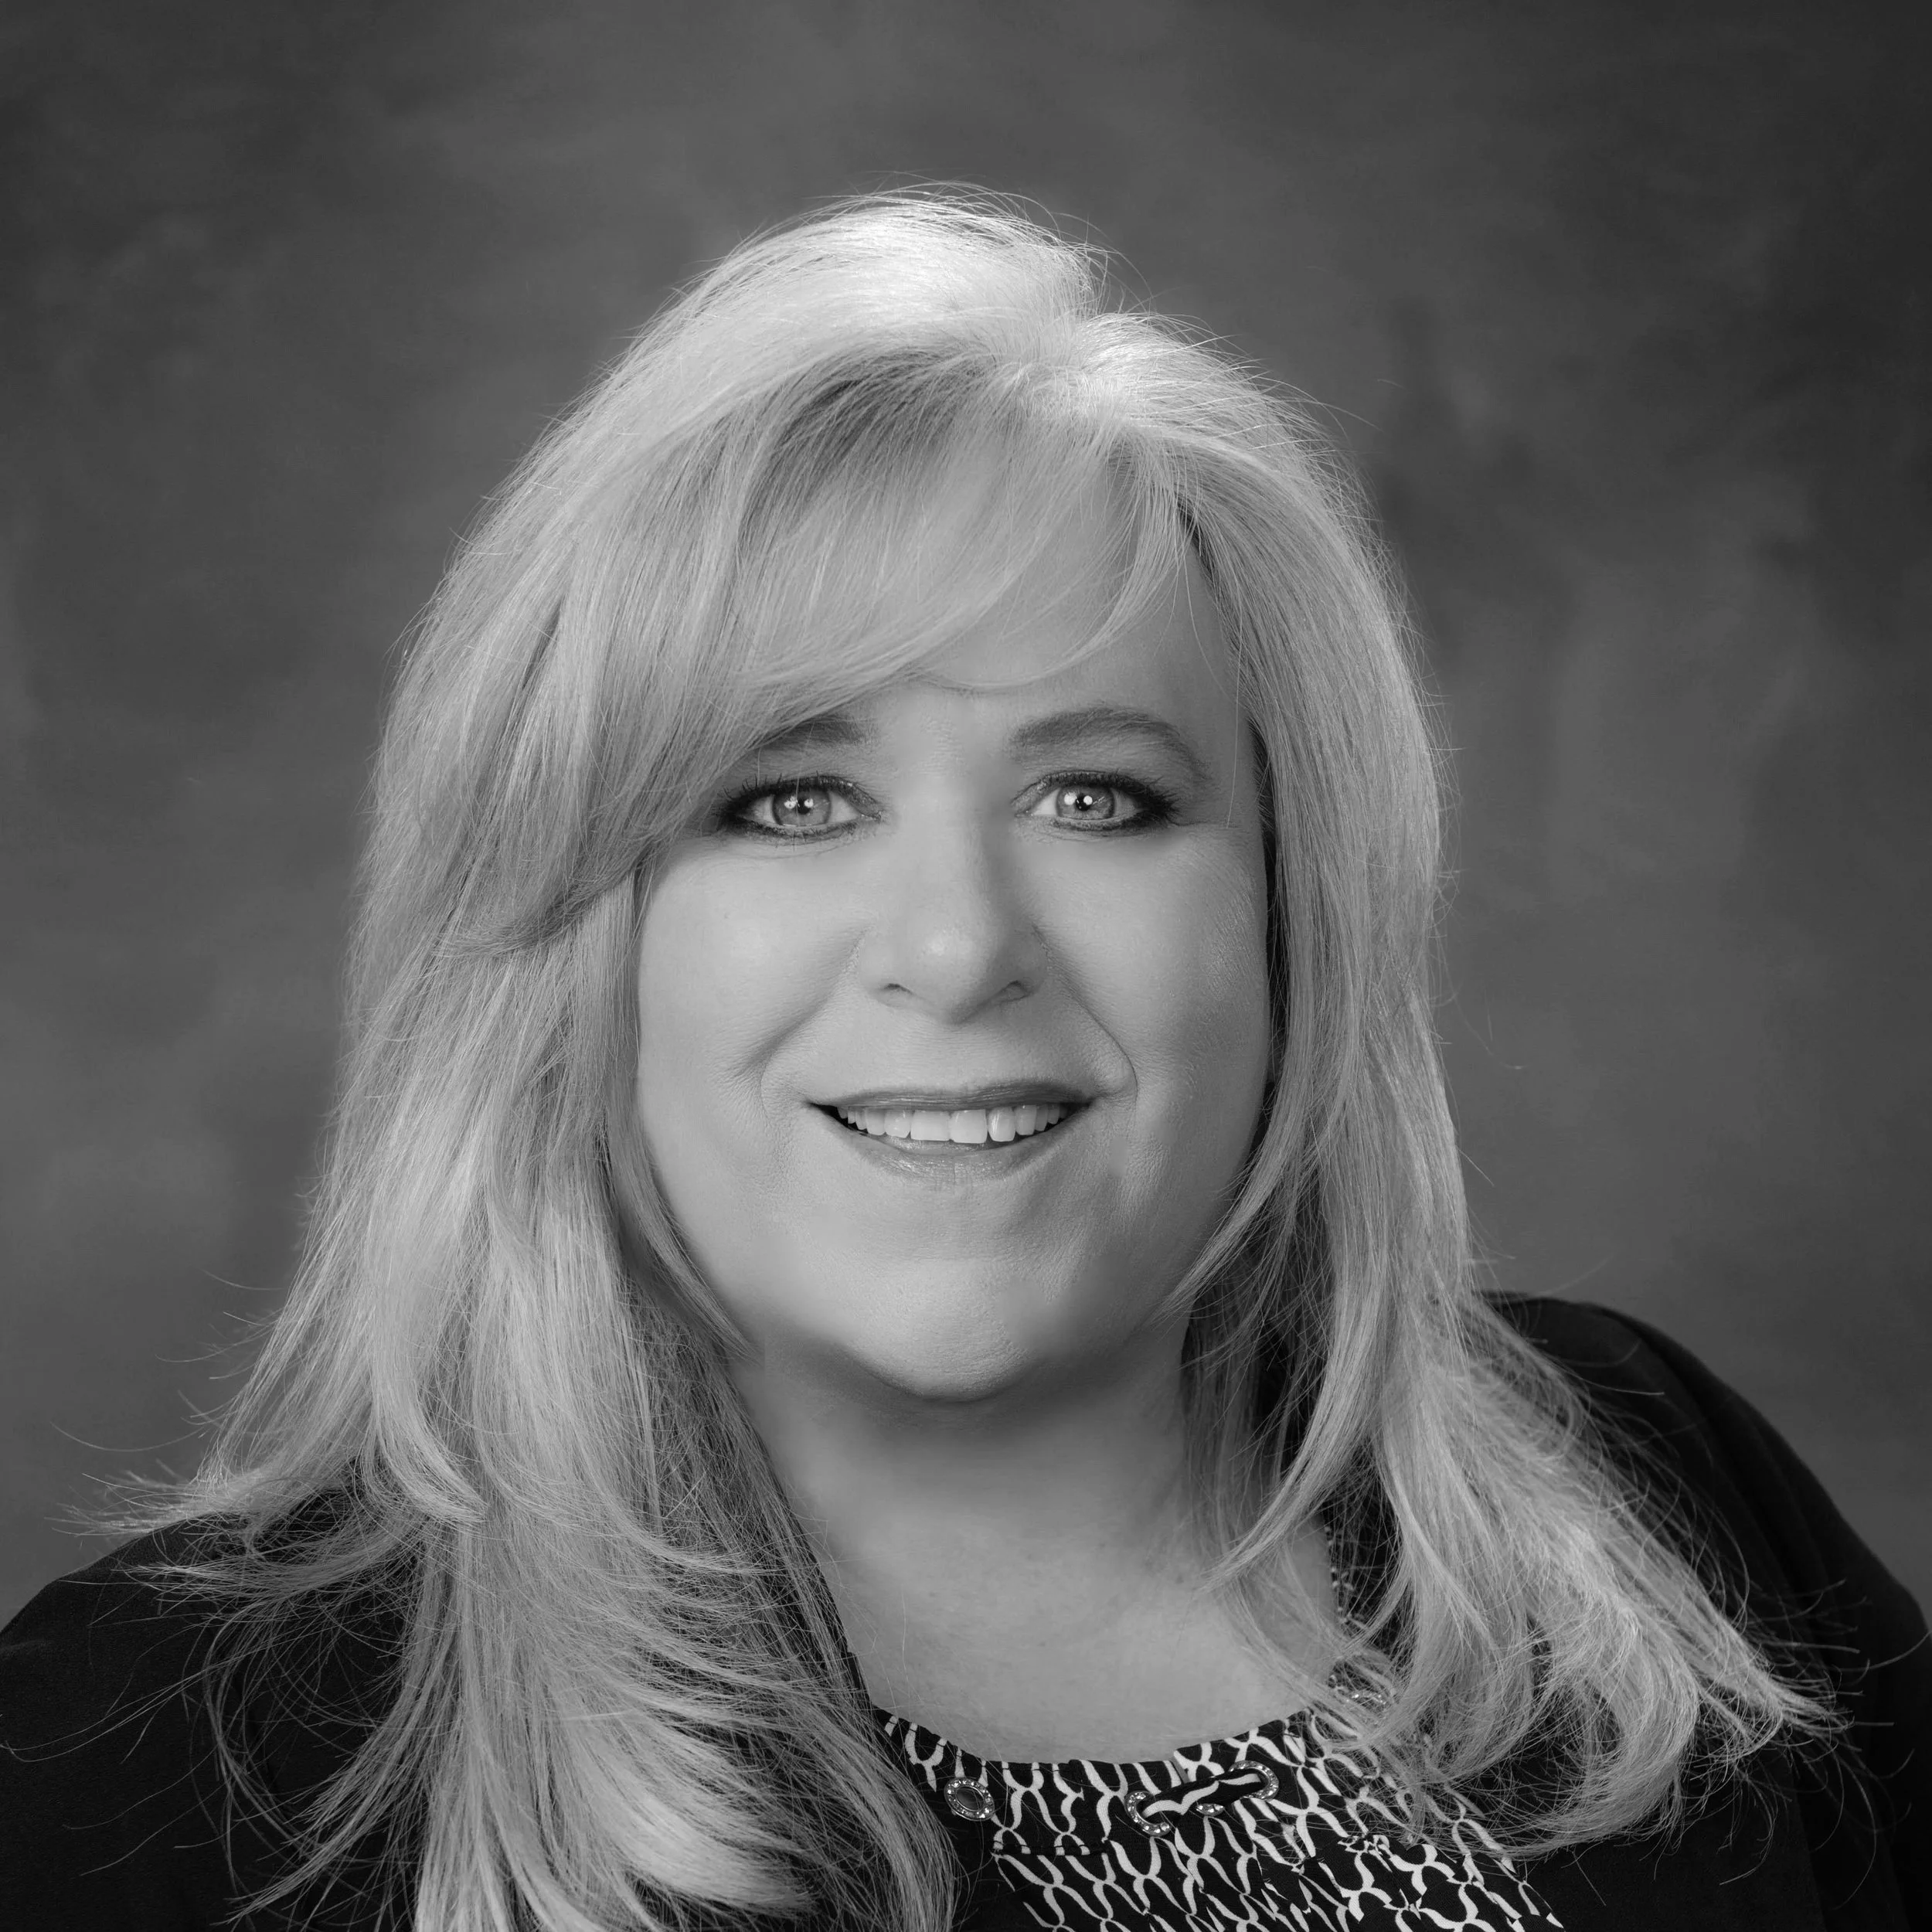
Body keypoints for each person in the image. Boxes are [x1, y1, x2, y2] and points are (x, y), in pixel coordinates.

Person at [0, 191, 1923, 1932]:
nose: (954, 945)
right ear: (569, 936)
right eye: (787, 799)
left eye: (1097, 795)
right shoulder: (155, 1765)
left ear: (1283, 913)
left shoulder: (1649, 1488)